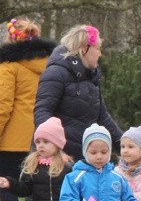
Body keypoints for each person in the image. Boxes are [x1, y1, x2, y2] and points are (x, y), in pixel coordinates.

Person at [0, 18, 56, 201]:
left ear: (11, 39)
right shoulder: (49, 65)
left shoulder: (9, 65)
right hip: (42, 135)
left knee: (7, 184)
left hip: (12, 138)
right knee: (37, 186)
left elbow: (3, 106)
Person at [34, 24, 122, 162]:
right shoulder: (55, 73)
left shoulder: (92, 79)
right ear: (84, 49)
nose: (100, 54)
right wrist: (54, 149)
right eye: (97, 49)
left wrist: (127, 146)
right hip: (57, 160)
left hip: (84, 157)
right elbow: (43, 112)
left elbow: (103, 118)